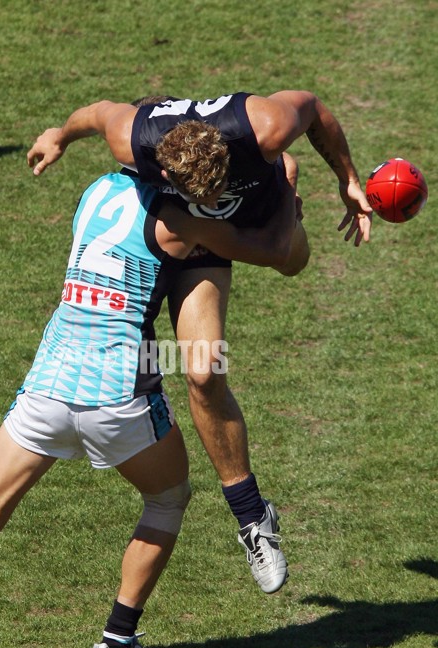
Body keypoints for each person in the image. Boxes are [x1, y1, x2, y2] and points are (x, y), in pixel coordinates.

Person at [0, 166, 298, 648]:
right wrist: (282, 191)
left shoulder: (97, 190)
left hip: (47, 387)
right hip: (119, 400)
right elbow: (272, 249)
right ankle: (118, 641)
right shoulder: (182, 224)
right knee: (168, 499)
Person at [26, 90, 373, 594]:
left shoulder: (266, 126)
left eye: (212, 191)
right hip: (165, 227)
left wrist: (347, 181)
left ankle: (253, 520)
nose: (206, 200)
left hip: (229, 227)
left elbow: (314, 108)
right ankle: (254, 517)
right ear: (161, 169)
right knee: (181, 356)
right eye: (198, 193)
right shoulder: (134, 139)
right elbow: (99, 112)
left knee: (207, 366)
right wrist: (59, 134)